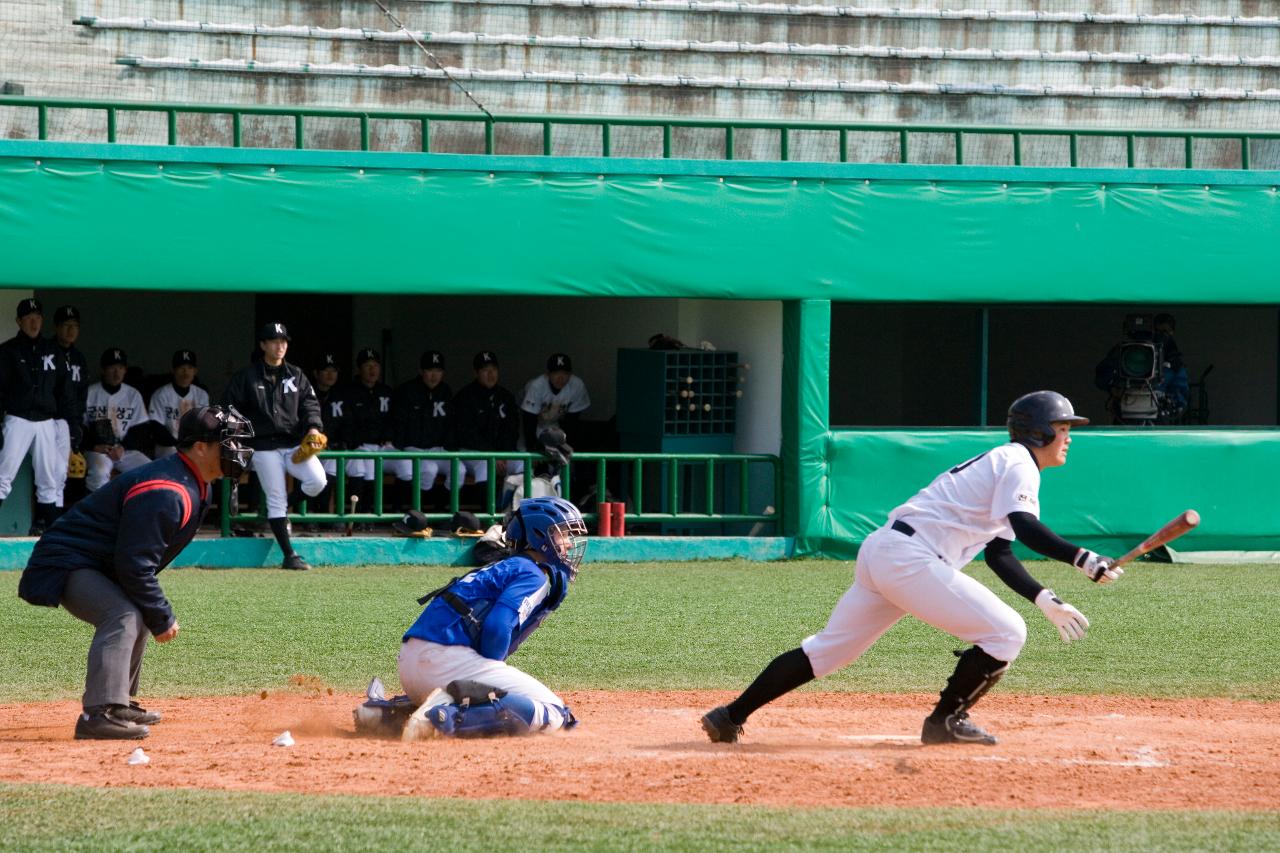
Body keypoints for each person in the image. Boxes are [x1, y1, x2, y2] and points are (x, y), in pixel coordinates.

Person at [701, 391, 1123, 747]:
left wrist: (1045, 598)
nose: (1068, 438)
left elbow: (1001, 553)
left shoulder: (1008, 462)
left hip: (889, 551)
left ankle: (729, 716)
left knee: (828, 651)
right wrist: (1082, 559)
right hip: (910, 558)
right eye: (1063, 428)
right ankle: (945, 722)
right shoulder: (1017, 462)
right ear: (1040, 431)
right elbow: (1026, 527)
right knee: (1007, 633)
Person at [18, 406, 254, 739]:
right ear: (200, 447)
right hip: (65, 560)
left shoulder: (197, 482)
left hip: (98, 560)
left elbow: (134, 562)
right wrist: (162, 615)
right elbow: (134, 563)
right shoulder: (168, 490)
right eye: (227, 442)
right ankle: (97, 716)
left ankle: (118, 702)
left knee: (134, 609)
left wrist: (151, 609)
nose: (237, 450)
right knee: (124, 613)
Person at [385, 496, 587, 739]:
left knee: (492, 689)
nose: (568, 543)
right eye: (562, 534)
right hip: (446, 662)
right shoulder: (533, 573)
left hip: (411, 664)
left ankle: (386, 715)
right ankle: (445, 717)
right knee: (557, 715)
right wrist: (487, 679)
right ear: (539, 535)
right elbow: (497, 629)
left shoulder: (505, 566)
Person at [222, 322, 326, 570]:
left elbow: (310, 404)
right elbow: (229, 408)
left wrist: (313, 427)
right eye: (274, 341)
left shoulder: (296, 374)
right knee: (276, 498)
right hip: (263, 446)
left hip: (292, 444)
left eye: (284, 341)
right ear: (263, 345)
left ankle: (282, 511)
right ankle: (289, 555)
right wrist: (239, 439)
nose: (280, 346)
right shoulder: (246, 376)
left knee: (317, 481)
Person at [0, 297, 79, 535]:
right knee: (3, 475)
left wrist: (73, 426)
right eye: (28, 319)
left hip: (46, 421)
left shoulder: (53, 351)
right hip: (18, 419)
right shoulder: (8, 351)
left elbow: (65, 392)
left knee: (49, 480)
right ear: (19, 321)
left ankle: (51, 533)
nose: (34, 323)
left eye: (37, 318)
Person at [452, 351, 521, 509]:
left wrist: (503, 454)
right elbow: (466, 434)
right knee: (485, 465)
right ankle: (488, 515)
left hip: (500, 454)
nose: (491, 374)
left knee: (522, 464)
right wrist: (492, 455)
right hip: (473, 453)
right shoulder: (465, 397)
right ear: (476, 373)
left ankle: (512, 511)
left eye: (494, 369)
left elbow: (512, 430)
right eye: (485, 370)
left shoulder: (505, 396)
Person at [389, 350, 454, 512]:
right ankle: (418, 510)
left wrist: (448, 445)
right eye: (430, 370)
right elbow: (399, 423)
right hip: (413, 447)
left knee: (459, 471)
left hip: (437, 449)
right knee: (428, 470)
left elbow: (452, 424)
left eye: (438, 371)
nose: (434, 375)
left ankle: (443, 511)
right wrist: (399, 445)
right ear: (421, 371)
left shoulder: (446, 391)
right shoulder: (407, 391)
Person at [336, 348, 396, 516]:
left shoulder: (386, 391)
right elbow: (347, 423)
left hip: (384, 446)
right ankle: (364, 514)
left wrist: (389, 436)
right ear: (359, 369)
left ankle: (399, 512)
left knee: (408, 466)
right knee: (366, 466)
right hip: (358, 446)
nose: (372, 370)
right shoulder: (348, 392)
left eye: (375, 365)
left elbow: (394, 420)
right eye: (368, 365)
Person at [83, 348, 152, 492]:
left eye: (120, 368)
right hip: (98, 450)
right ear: (103, 370)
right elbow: (80, 426)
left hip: (124, 450)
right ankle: (98, 512)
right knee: (99, 473)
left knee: (151, 471)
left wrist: (123, 447)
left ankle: (137, 511)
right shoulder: (90, 393)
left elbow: (140, 429)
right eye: (112, 367)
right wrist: (93, 445)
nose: (117, 372)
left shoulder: (133, 394)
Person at [52, 305, 88, 511]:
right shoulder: (47, 351)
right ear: (57, 327)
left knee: (72, 469)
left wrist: (78, 424)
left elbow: (81, 394)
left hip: (71, 421)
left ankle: (67, 516)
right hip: (51, 419)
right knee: (51, 471)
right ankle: (47, 516)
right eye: (66, 325)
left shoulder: (79, 358)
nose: (71, 330)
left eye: (74, 326)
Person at [520, 352, 591, 451]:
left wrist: (566, 447)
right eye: (556, 373)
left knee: (563, 456)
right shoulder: (537, 386)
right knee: (527, 457)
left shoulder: (576, 385)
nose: (561, 378)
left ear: (570, 374)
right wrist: (533, 448)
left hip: (554, 425)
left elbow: (572, 422)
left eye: (565, 373)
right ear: (548, 374)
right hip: (529, 425)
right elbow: (528, 421)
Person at [148, 349, 209, 458]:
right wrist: (178, 444)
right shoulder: (161, 394)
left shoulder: (201, 394)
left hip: (194, 446)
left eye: (190, 368)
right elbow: (156, 427)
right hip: (169, 447)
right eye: (182, 368)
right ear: (173, 370)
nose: (186, 372)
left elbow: (205, 426)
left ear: (195, 371)